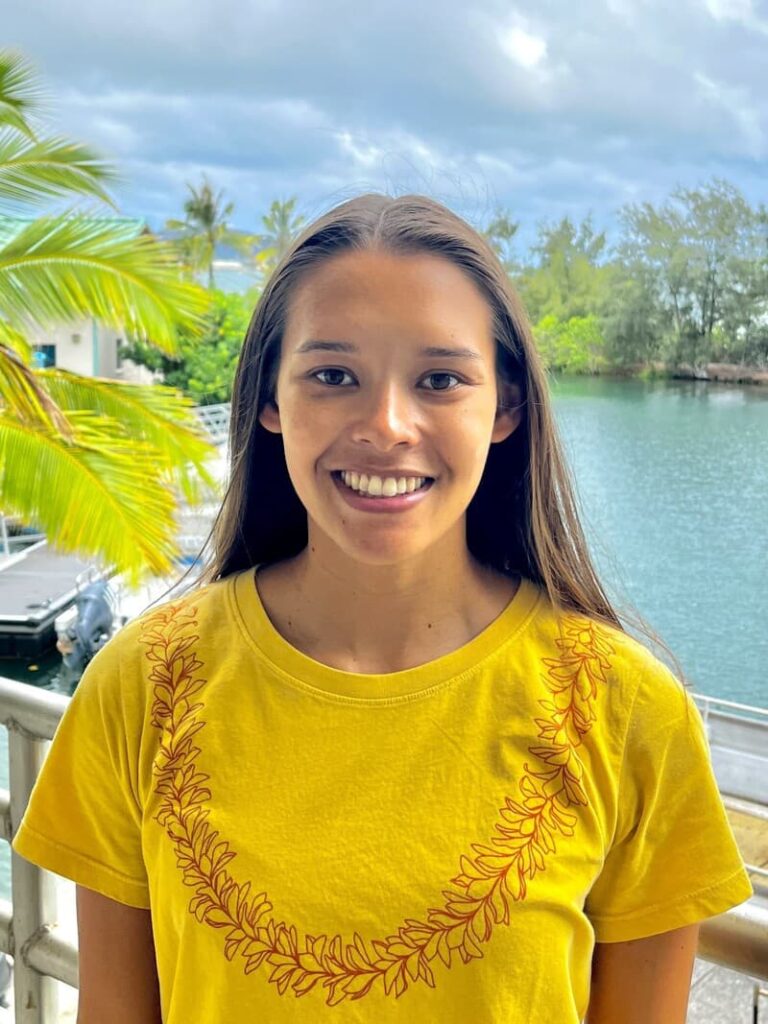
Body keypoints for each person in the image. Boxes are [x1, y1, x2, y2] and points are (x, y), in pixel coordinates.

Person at [13, 194, 752, 1023]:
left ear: (504, 406)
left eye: (440, 380)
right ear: (269, 402)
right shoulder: (140, 689)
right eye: (333, 376)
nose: (388, 424)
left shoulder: (628, 714)